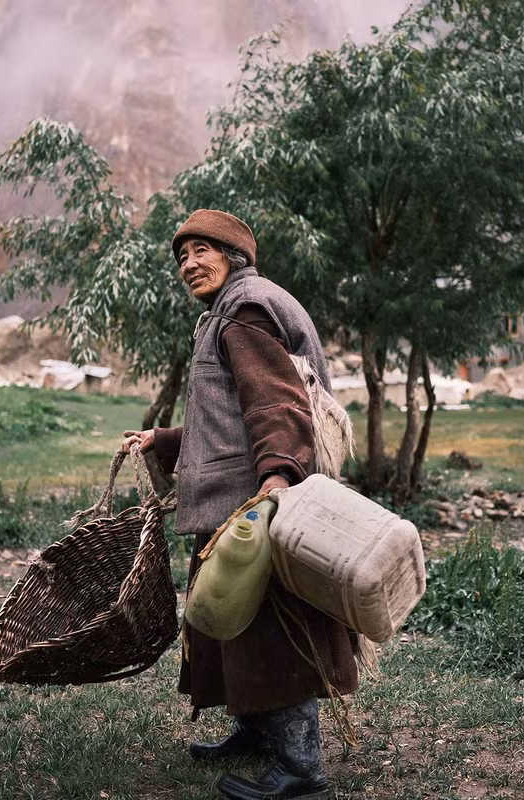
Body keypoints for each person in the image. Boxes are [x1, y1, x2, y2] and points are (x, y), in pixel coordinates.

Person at [120, 209, 357, 800]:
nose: (189, 264)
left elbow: (275, 402)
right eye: (182, 256)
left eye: (202, 251)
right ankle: (256, 733)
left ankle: (300, 767)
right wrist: (164, 440)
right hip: (242, 495)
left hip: (255, 499)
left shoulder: (245, 310)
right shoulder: (233, 309)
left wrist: (277, 477)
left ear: (235, 256)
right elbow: (228, 416)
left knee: (270, 626)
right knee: (233, 624)